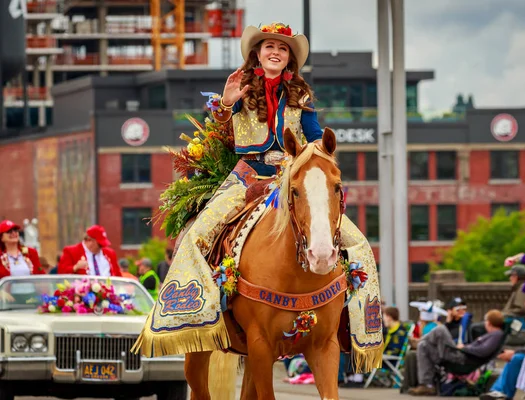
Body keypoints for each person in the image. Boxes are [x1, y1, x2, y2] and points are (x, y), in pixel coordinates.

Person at [137, 21, 381, 361]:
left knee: (357, 243)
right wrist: (225, 103)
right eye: (270, 47)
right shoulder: (240, 86)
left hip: (290, 177)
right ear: (258, 53)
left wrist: (317, 164)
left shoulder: (301, 95)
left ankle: (357, 327)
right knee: (197, 234)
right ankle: (193, 314)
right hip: (247, 176)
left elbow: (312, 137)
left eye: (283, 49)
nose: (276, 52)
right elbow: (220, 127)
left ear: (290, 58)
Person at [408, 309, 505, 396]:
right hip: (460, 356)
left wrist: (465, 348)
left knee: (440, 329)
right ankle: (427, 385)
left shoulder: (497, 334)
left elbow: (483, 351)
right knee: (423, 346)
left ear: (489, 323)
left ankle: (418, 341)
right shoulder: (492, 335)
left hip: (462, 359)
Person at [471, 265, 525, 340]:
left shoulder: (522, 288)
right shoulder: (519, 287)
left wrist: (501, 315)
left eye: (511, 276)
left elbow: (521, 309)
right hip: (510, 319)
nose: (510, 278)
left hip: (513, 321)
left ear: (516, 277)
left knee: (476, 328)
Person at [57, 225, 122, 277]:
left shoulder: (110, 253)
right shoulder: (71, 251)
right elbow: (61, 272)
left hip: (108, 291)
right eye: (100, 244)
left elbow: (118, 275)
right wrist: (75, 267)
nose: (101, 247)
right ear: (89, 240)